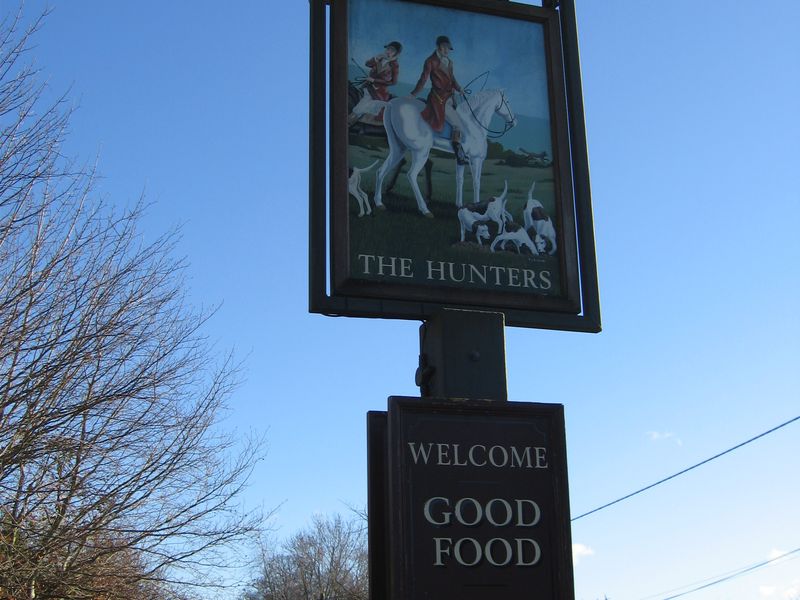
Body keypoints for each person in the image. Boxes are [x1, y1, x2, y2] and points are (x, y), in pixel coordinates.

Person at [409, 35, 467, 165]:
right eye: (444, 47)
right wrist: (413, 94)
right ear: (438, 46)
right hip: (439, 99)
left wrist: (459, 88)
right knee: (458, 125)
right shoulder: (430, 61)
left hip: (451, 97)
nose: (447, 50)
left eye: (448, 48)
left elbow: (452, 79)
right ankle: (459, 156)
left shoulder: (449, 62)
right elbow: (423, 79)